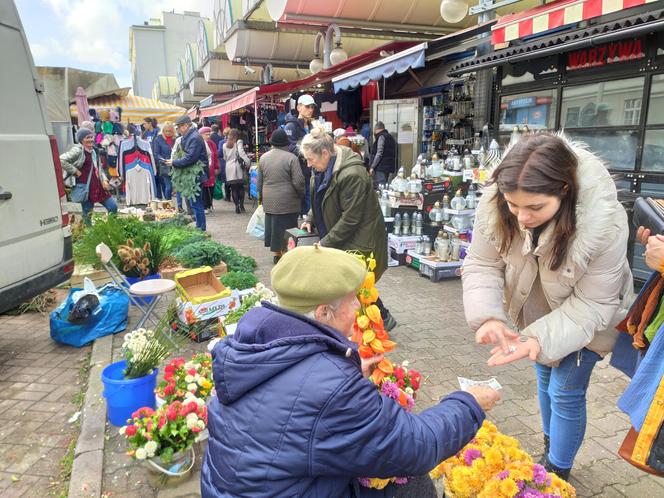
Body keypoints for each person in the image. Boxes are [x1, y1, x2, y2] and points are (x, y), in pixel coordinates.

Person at [201, 244, 500, 497]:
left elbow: (293, 396)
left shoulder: (250, 341)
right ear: (323, 313)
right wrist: (468, 403)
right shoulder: (331, 386)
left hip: (232, 487)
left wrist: (347, 370)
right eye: (351, 299)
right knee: (410, 484)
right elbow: (414, 446)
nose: (359, 304)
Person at [462, 132, 634, 480]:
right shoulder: (494, 203)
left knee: (564, 390)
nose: (522, 217)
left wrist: (538, 339)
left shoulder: (606, 223)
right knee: (543, 378)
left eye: (535, 207)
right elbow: (481, 264)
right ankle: (550, 444)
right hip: (536, 311)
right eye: (514, 205)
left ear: (565, 190)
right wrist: (487, 316)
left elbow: (594, 302)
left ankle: (557, 469)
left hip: (591, 318)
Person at [300, 128, 397, 331]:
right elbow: (319, 196)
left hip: (360, 238)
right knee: (352, 284)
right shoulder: (323, 168)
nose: (308, 164)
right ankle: (369, 321)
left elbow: (351, 218)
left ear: (325, 153)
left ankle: (380, 320)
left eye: (310, 159)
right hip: (340, 235)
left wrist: (324, 243)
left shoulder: (353, 174)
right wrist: (310, 217)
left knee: (356, 283)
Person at [258, 129, 305, 264]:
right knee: (288, 229)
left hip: (269, 200)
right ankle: (286, 255)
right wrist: (301, 194)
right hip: (288, 201)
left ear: (272, 143)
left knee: (274, 228)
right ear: (286, 143)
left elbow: (260, 182)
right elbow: (299, 181)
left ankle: (276, 254)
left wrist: (261, 199)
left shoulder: (263, 158)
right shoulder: (292, 158)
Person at [60, 128, 117, 223]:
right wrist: (75, 171)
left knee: (113, 207)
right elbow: (62, 159)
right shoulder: (78, 150)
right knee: (87, 214)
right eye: (87, 137)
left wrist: (105, 180)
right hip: (86, 188)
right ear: (81, 139)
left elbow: (99, 168)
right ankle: (88, 234)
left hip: (99, 187)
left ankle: (110, 228)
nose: (90, 139)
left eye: (91, 137)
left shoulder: (94, 151)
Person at [164, 115, 207, 231]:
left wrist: (174, 162)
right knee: (194, 203)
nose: (178, 129)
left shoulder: (194, 137)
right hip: (191, 174)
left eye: (179, 127)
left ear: (186, 125)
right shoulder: (188, 136)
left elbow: (190, 158)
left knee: (196, 203)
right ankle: (199, 226)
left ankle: (201, 228)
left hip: (196, 174)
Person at [284, 94, 316, 214]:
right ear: (299, 107)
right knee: (302, 198)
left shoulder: (312, 126)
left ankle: (308, 220)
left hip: (311, 169)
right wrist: (307, 153)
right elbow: (290, 147)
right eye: (307, 106)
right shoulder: (291, 125)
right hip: (298, 170)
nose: (310, 110)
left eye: (312, 107)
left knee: (310, 196)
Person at [221, 129, 251, 214]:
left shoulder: (224, 145)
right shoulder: (239, 142)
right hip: (238, 167)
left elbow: (225, 158)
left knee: (233, 189)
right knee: (241, 187)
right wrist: (248, 161)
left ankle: (236, 206)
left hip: (229, 167)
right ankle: (242, 206)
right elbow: (241, 153)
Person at [368, 122, 396, 189]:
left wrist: (372, 167)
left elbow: (379, 153)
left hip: (381, 167)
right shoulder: (390, 137)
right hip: (388, 166)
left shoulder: (381, 136)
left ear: (376, 129)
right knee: (384, 185)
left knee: (380, 187)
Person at [152, 121, 175, 201]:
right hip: (164, 166)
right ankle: (168, 202)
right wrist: (163, 160)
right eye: (166, 131)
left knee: (174, 187)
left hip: (176, 165)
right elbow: (156, 153)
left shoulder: (175, 139)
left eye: (170, 131)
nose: (168, 133)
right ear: (163, 130)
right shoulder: (158, 139)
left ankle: (174, 204)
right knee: (168, 187)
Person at [199, 126, 218, 213]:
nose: (208, 136)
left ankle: (209, 205)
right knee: (204, 188)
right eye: (206, 134)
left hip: (212, 170)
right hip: (203, 170)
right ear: (201, 135)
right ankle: (205, 206)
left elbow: (215, 156)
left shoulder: (212, 143)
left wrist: (217, 167)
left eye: (209, 134)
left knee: (211, 188)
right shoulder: (199, 143)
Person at [217, 127, 231, 202]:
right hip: (233, 162)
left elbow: (220, 153)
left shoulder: (222, 142)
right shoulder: (235, 141)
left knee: (225, 180)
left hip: (224, 162)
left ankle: (227, 196)